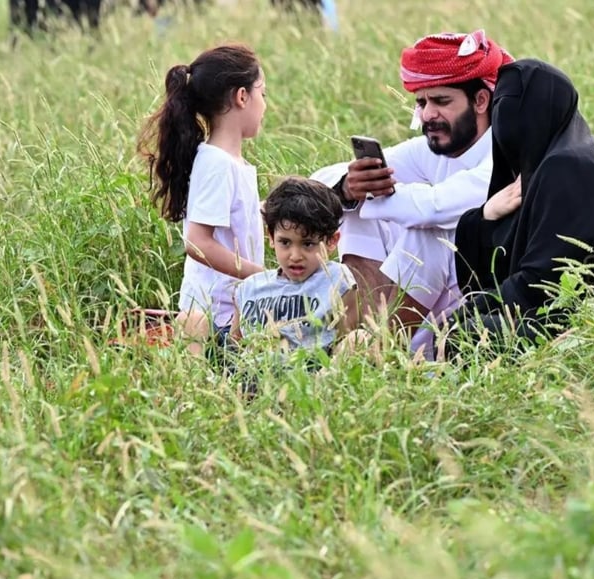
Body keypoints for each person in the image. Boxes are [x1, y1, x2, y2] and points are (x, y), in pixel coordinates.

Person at [309, 30, 518, 359]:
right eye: (422, 103)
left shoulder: (505, 152)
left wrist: (372, 194)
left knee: (429, 231)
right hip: (423, 299)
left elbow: (435, 208)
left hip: (478, 309)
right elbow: (320, 180)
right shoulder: (435, 149)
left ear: (481, 101)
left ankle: (380, 351)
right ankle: (353, 339)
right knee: (357, 211)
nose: (427, 115)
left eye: (441, 102)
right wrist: (349, 187)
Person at [447, 59, 594, 353]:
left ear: (542, 110)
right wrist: (485, 216)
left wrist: (471, 310)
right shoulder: (552, 164)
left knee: (464, 333)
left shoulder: (568, 168)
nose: (505, 117)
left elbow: (544, 282)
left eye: (516, 105)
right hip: (575, 314)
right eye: (500, 106)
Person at [136, 44, 268, 350]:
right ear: (242, 96)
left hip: (233, 311)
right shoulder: (217, 163)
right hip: (213, 319)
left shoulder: (230, 162)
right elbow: (197, 242)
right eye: (262, 93)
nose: (265, 105)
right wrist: (261, 276)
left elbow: (238, 220)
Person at [230, 177, 358, 357]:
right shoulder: (249, 288)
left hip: (315, 370)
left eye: (308, 244)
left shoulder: (336, 280)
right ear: (271, 237)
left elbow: (344, 343)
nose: (295, 256)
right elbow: (234, 348)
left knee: (360, 338)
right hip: (258, 369)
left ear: (331, 241)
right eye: (285, 242)